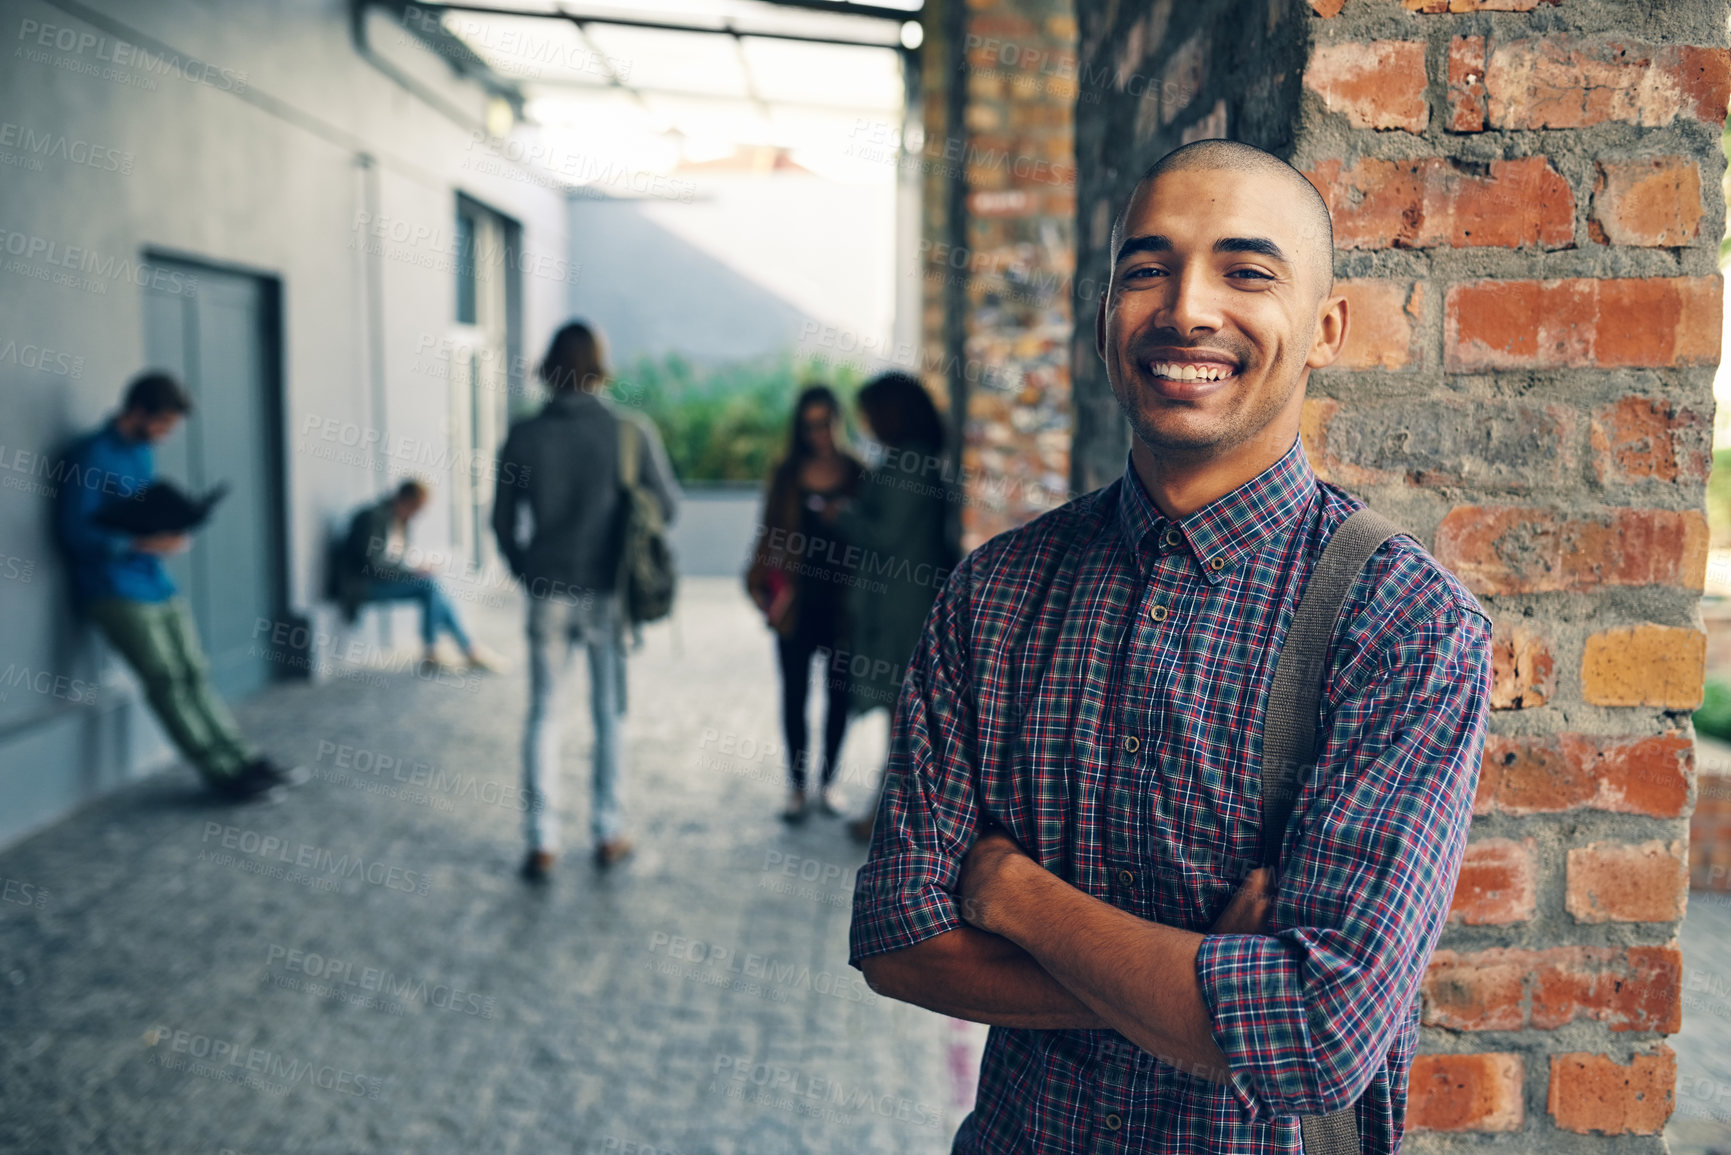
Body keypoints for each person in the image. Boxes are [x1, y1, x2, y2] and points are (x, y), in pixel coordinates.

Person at [848, 139, 1494, 1153]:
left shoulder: (1406, 625)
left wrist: (1013, 893)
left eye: (1247, 272)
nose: (1186, 308)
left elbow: (1321, 1032)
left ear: (1325, 328)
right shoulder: (998, 592)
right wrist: (1201, 991)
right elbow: (897, 940)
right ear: (1106, 318)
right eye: (1145, 270)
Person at [54, 372, 307, 802]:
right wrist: (140, 542)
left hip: (156, 581)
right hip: (114, 589)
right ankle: (222, 773)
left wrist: (173, 529)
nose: (166, 435)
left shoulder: (142, 454)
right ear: (136, 412)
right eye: (162, 424)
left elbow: (145, 510)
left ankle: (243, 757)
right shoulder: (91, 456)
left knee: (193, 673)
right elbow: (74, 533)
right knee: (167, 680)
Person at [493, 321, 680, 881]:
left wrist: (526, 568)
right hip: (607, 591)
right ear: (600, 366)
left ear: (550, 367)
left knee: (543, 712)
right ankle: (607, 831)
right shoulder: (629, 431)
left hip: (547, 589)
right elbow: (666, 507)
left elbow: (501, 521)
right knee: (607, 714)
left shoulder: (524, 435)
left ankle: (541, 841)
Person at [818, 373, 959, 843]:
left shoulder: (909, 463)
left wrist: (842, 515)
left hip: (903, 609)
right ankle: (888, 814)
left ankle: (887, 818)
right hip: (904, 603)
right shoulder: (912, 460)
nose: (867, 424)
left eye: (870, 413)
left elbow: (883, 535)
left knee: (903, 718)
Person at [745, 385, 864, 824]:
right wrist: (758, 584)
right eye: (809, 425)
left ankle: (828, 782)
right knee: (794, 694)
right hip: (795, 600)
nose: (818, 433)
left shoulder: (858, 473)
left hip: (842, 603)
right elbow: (768, 532)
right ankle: (796, 786)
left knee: (839, 695)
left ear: (838, 421)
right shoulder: (786, 474)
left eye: (825, 423)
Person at [334, 478, 503, 673]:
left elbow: (392, 558)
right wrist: (411, 572)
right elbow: (372, 564)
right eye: (415, 508)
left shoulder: (399, 520)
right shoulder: (373, 517)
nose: (415, 516)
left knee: (435, 590)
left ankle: (464, 649)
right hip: (360, 586)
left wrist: (415, 568)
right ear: (404, 500)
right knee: (429, 586)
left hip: (379, 581)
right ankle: (444, 651)